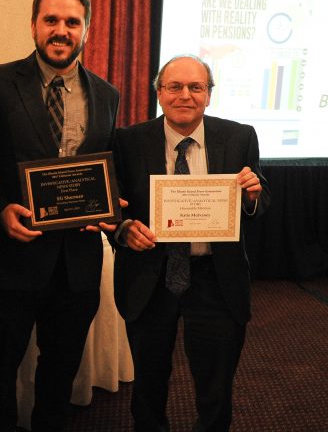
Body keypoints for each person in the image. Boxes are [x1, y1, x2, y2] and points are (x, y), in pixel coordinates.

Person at [0, 0, 120, 432]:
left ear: (86, 31)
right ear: (34, 24)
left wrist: (110, 207)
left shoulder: (107, 94)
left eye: (72, 22)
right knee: (0, 366)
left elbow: (106, 171)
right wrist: (0, 210)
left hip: (77, 262)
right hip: (14, 255)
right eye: (51, 20)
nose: (61, 30)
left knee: (61, 368)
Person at [113, 54, 271, 431]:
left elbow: (261, 197)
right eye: (174, 86)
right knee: (148, 386)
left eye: (196, 87)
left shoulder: (239, 137)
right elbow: (112, 207)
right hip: (150, 277)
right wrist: (123, 230)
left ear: (209, 95)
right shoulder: (129, 140)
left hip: (215, 279)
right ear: (159, 93)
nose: (185, 95)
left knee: (215, 388)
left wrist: (252, 195)